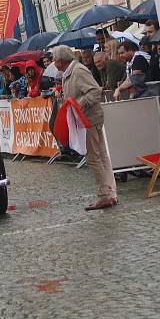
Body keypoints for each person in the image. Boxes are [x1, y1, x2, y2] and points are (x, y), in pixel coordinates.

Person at [51, 45, 118, 210]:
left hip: (89, 119)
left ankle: (105, 195)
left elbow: (95, 91)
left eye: (54, 59)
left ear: (60, 61)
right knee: (101, 155)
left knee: (94, 157)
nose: (53, 62)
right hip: (85, 119)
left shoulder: (78, 71)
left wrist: (77, 106)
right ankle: (110, 193)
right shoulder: (68, 73)